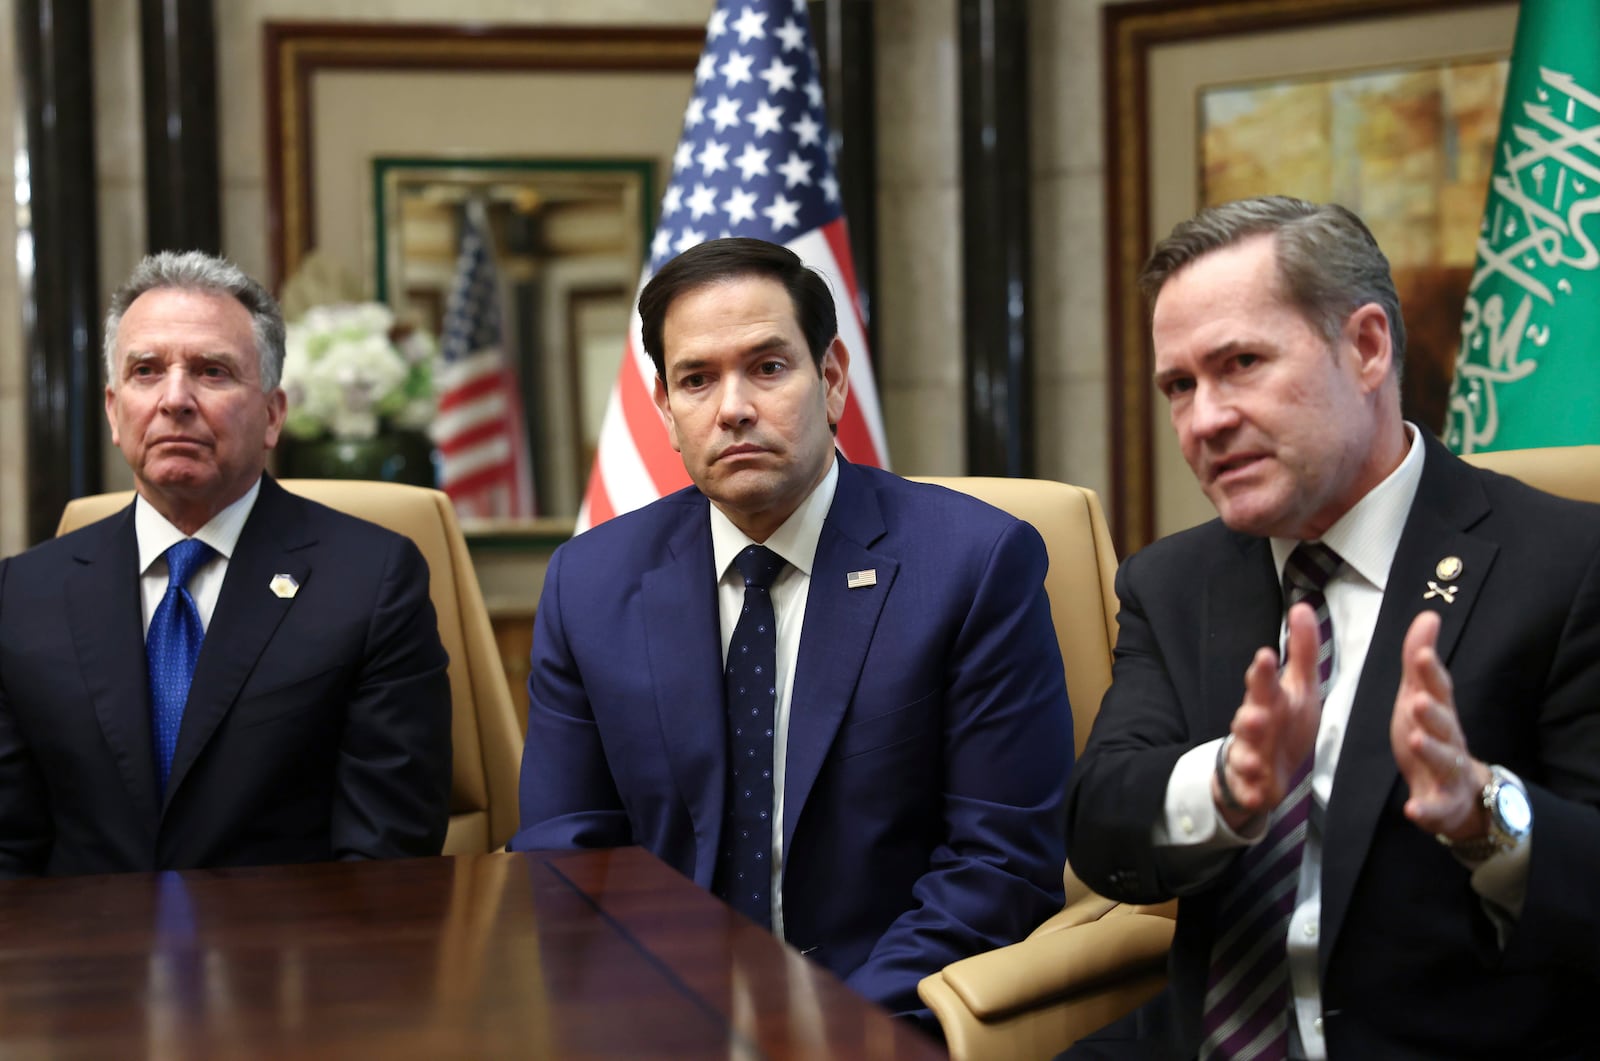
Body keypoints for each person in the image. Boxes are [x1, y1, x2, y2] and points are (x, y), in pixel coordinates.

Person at [1063, 196, 1600, 1059]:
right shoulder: (1173, 581)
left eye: (1241, 362)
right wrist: (1228, 786)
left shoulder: (1567, 565)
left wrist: (1481, 813)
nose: (1204, 420)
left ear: (1367, 347)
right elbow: (1099, 827)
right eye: (1180, 386)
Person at [509, 236, 1073, 1023]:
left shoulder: (973, 564)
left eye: (768, 367)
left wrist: (827, 1027)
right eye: (696, 379)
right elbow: (567, 855)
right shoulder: (590, 584)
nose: (733, 406)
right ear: (667, 412)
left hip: (884, 1018)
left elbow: (999, 868)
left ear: (832, 380)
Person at [0, 251, 453, 876]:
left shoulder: (372, 582)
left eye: (212, 371)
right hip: (86, 962)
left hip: (287, 962)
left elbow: (385, 851)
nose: (175, 399)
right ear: (113, 409)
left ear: (272, 415)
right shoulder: (22, 594)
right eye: (146, 371)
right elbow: (9, 851)